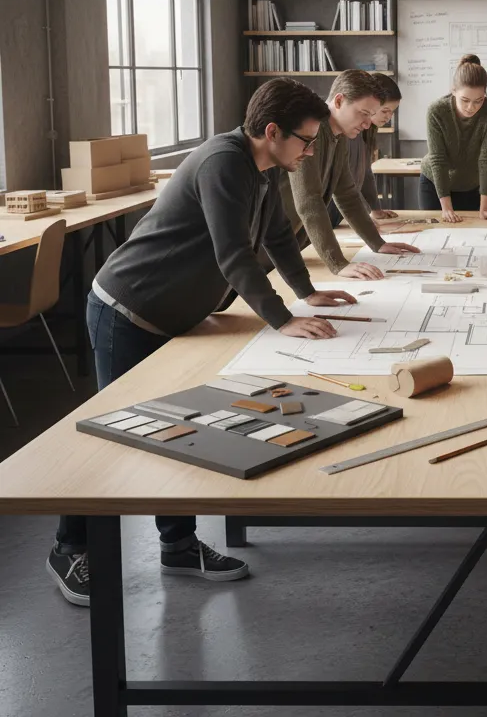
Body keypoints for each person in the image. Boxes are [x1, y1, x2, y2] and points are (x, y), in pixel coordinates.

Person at [47, 78, 361, 607]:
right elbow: (233, 254)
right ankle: (68, 547)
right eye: (306, 141)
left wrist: (307, 292)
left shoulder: (263, 169)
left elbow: (277, 235)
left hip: (173, 315)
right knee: (115, 434)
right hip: (127, 310)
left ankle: (178, 546)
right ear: (272, 131)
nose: (310, 152)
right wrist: (281, 319)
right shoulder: (224, 163)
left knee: (178, 427)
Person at [281, 70, 418, 279]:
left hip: (290, 240)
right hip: (266, 241)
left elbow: (347, 194)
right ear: (339, 101)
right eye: (363, 113)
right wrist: (338, 263)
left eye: (371, 115)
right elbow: (308, 201)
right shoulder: (310, 130)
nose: (367, 124)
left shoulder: (340, 135)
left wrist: (377, 243)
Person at [420, 54, 487, 223]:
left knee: (470, 233)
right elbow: (438, 160)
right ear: (454, 91)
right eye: (464, 100)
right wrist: (446, 209)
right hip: (435, 185)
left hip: (470, 186)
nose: (471, 107)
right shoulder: (437, 111)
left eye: (478, 100)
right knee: (435, 233)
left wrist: (485, 208)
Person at [347, 72, 401, 222]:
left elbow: (366, 172)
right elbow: (347, 184)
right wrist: (365, 216)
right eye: (385, 111)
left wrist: (375, 210)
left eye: (392, 112)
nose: (389, 117)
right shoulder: (351, 132)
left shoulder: (369, 130)